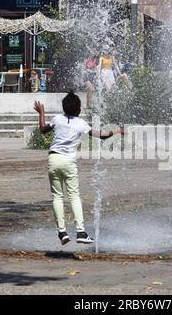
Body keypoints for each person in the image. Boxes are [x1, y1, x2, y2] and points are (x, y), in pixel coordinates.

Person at [34, 92, 124, 246]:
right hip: (69, 162)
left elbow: (42, 129)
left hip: (54, 159)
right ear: (78, 109)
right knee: (74, 196)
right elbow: (101, 135)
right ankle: (81, 232)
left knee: (57, 196)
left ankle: (62, 232)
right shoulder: (81, 124)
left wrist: (41, 112)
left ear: (64, 108)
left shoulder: (57, 119)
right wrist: (116, 131)